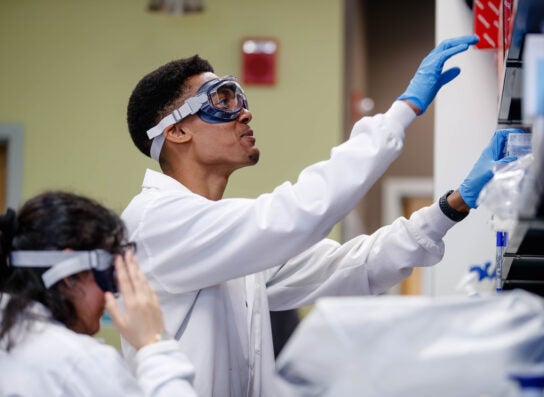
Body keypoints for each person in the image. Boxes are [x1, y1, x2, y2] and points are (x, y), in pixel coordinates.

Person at [122, 35, 516, 396]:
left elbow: (352, 267)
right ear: (174, 132)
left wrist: (454, 205)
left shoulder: (229, 246)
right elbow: (296, 213)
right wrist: (402, 112)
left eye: (240, 99)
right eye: (222, 101)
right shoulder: (155, 221)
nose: (245, 113)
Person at [0, 191, 197, 396]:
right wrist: (155, 344)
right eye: (109, 275)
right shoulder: (79, 363)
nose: (110, 295)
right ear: (70, 273)